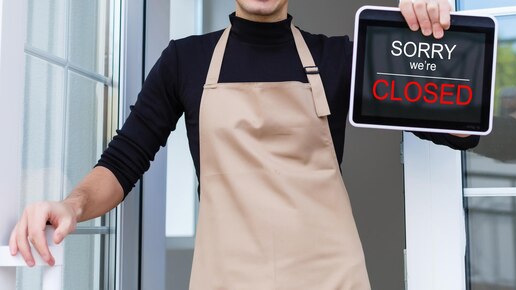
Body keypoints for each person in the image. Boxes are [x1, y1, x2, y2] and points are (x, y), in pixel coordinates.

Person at [10, 0, 478, 288]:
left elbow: (458, 130)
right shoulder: (184, 61)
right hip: (226, 280)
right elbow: (124, 159)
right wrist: (71, 205)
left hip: (331, 280)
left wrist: (434, 32)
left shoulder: (339, 58)